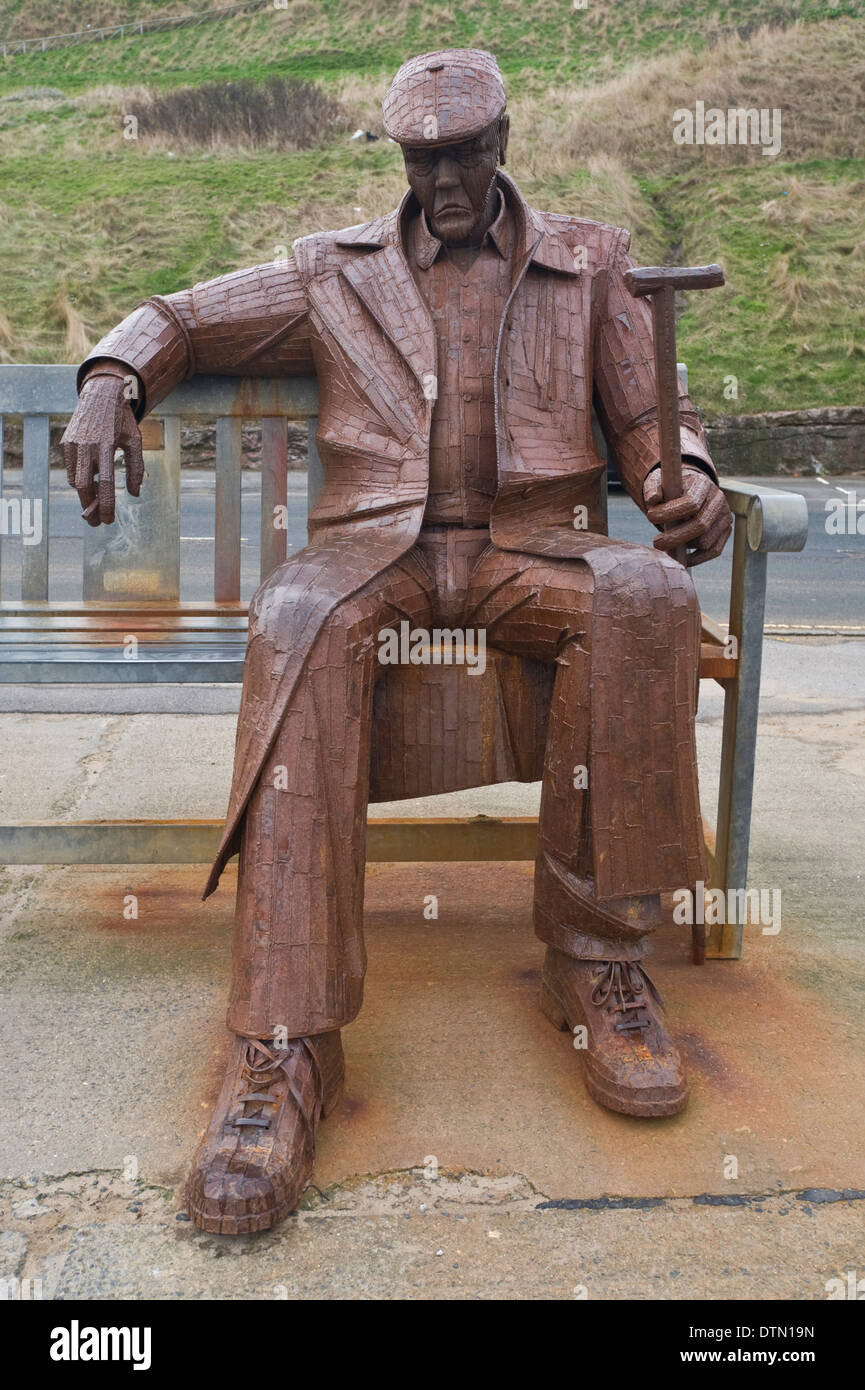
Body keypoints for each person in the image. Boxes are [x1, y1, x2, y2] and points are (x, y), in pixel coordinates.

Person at [61, 49, 732, 1235]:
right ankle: (283, 1047)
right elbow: (184, 316)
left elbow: (649, 420)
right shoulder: (335, 271)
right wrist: (116, 368)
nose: (446, 179)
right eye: (424, 158)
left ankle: (598, 959)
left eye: (465, 152)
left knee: (644, 599)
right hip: (380, 552)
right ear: (401, 160)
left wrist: (690, 480)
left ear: (504, 140)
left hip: (538, 546)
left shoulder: (589, 262)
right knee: (296, 617)